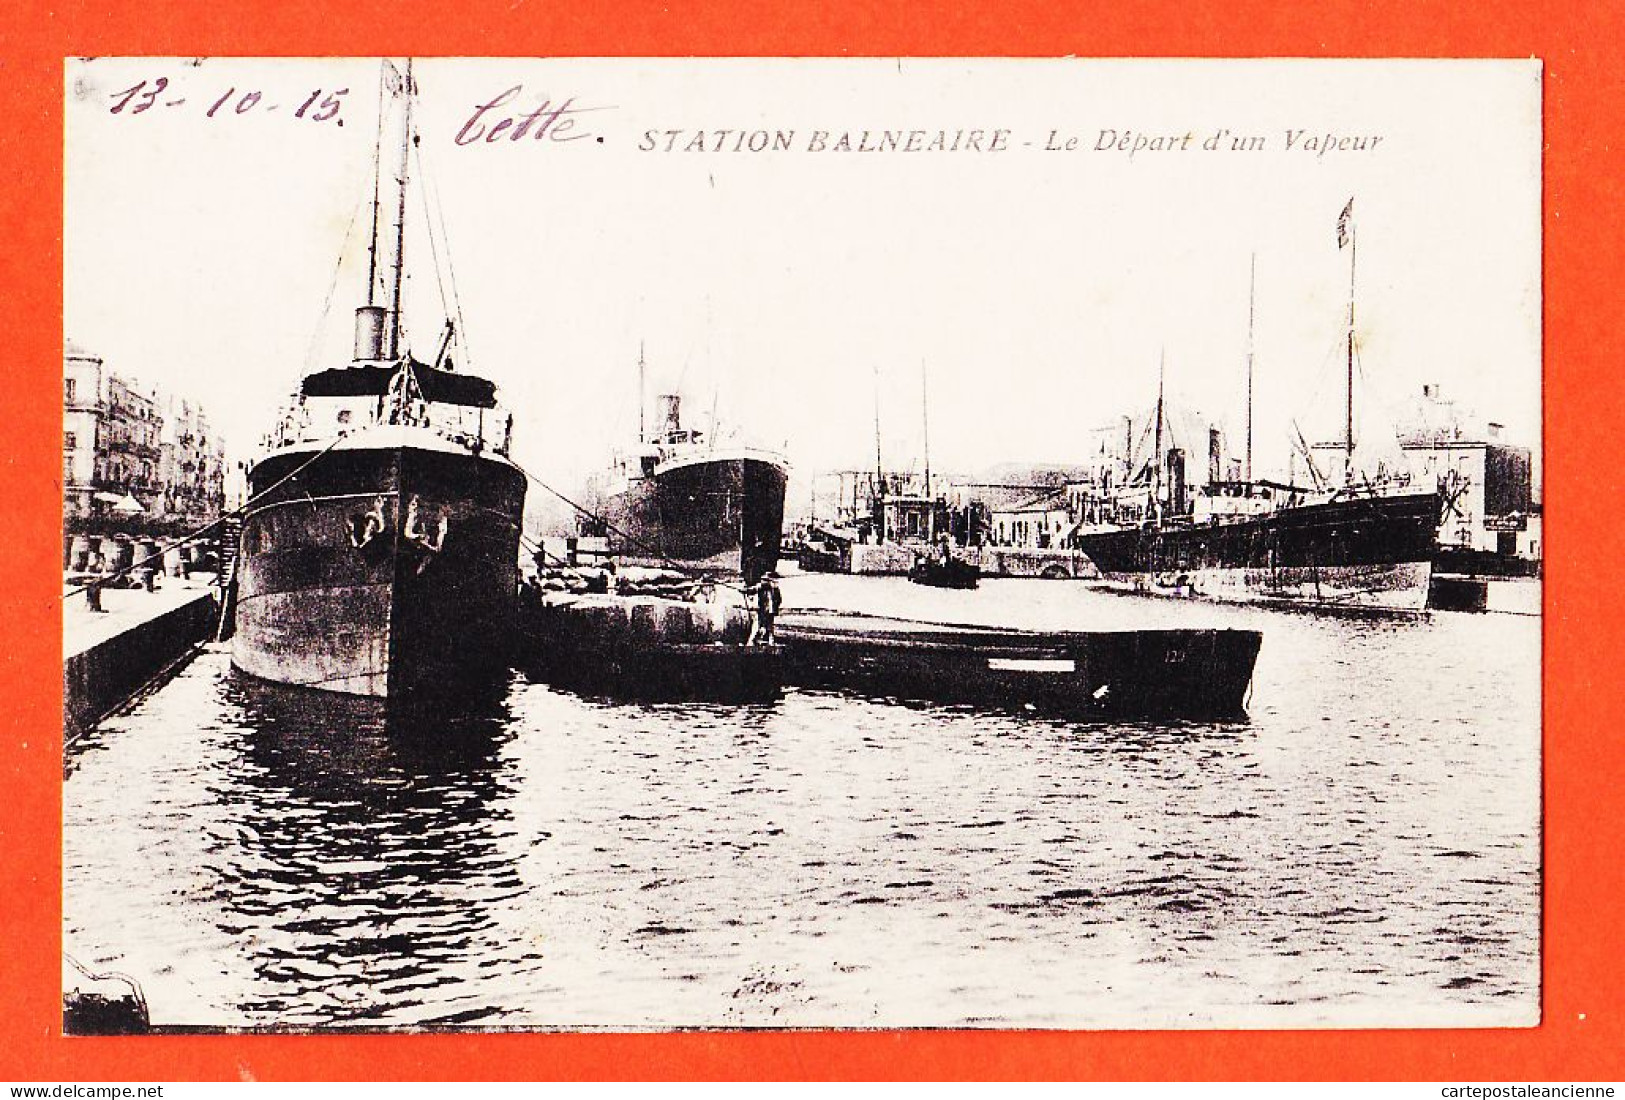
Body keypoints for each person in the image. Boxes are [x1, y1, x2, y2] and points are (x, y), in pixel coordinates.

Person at [747, 571, 783, 646]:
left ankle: (756, 641)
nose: (763, 581)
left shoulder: (770, 588)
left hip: (767, 610)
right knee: (762, 626)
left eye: (765, 580)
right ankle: (755, 641)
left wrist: (745, 590)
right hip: (766, 610)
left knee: (763, 626)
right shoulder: (767, 588)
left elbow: (779, 599)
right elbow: (752, 590)